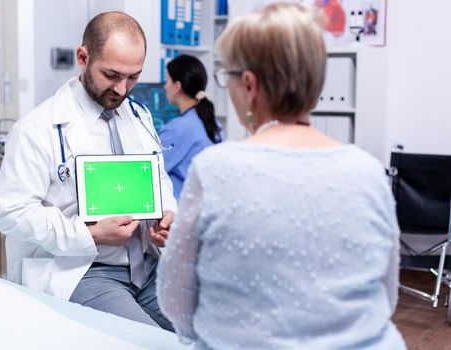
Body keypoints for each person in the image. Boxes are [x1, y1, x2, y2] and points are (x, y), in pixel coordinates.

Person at [157, 3, 406, 349]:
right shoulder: (369, 171)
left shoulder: (216, 169)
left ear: (249, 85)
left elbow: (176, 302)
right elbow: (386, 296)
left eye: (225, 77)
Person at [0, 12, 176, 331]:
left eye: (133, 77)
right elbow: (11, 212)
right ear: (83, 57)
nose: (122, 89)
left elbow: (157, 177)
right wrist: (89, 234)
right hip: (83, 269)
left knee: (204, 331)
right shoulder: (37, 129)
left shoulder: (139, 116)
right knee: (147, 340)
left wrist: (167, 214)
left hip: (146, 265)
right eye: (112, 74)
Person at [159, 54, 222, 199]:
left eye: (167, 80)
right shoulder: (213, 123)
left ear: (177, 86)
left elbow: (149, 171)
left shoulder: (178, 129)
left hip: (180, 212)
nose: (164, 86)